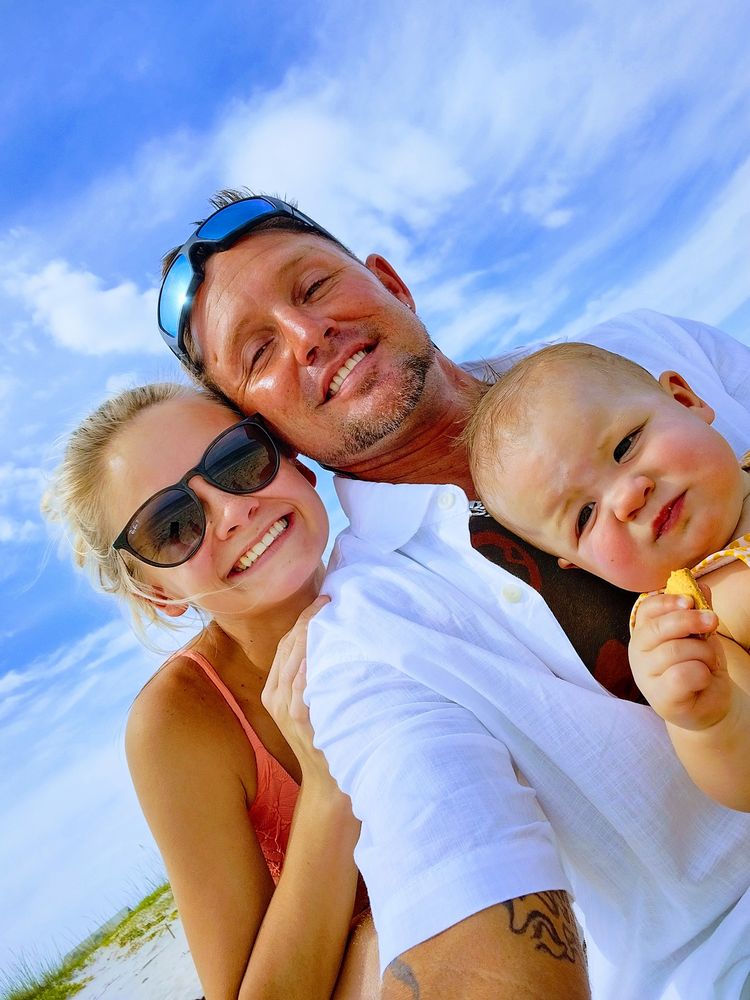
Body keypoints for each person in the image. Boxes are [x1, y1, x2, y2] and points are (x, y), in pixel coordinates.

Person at [157, 190, 750, 998]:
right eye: (258, 354)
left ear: (391, 283)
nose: (308, 337)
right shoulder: (367, 641)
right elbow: (457, 899)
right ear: (265, 430)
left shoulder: (646, 349)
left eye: (313, 288)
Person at [42, 382, 379, 1000]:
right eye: (172, 525)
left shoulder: (409, 575)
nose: (231, 512)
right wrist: (329, 788)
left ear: (292, 458)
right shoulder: (182, 723)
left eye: (236, 461)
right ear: (160, 593)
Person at [465, 341, 750, 811]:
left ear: (685, 400)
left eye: (625, 446)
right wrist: (714, 721)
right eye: (585, 516)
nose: (627, 498)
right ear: (578, 564)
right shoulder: (688, 621)